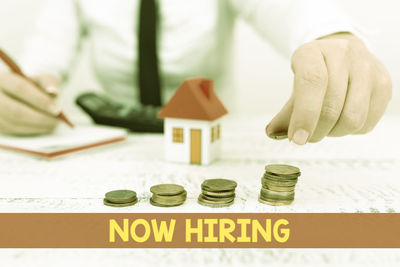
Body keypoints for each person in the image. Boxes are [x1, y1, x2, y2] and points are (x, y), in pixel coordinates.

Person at [0, 0, 392, 145]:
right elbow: (43, 57)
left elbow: (292, 9)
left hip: (209, 136)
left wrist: (334, 37)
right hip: (117, 139)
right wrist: (24, 91)